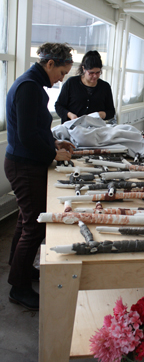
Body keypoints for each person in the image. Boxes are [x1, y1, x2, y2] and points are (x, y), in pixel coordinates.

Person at [4, 42, 75, 311]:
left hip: (26, 162)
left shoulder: (31, 84)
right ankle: (18, 288)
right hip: (24, 165)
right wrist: (53, 155)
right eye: (62, 72)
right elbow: (26, 135)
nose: (61, 79)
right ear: (49, 64)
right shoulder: (29, 87)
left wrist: (54, 143)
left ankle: (19, 269)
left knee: (26, 219)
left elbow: (35, 129)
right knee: (35, 225)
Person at [55, 50, 115, 123]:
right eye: (91, 73)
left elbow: (111, 111)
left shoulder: (105, 87)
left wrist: (102, 114)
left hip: (95, 129)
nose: (95, 76)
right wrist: (70, 115)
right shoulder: (71, 83)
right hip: (72, 128)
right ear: (84, 69)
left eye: (98, 72)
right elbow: (59, 106)